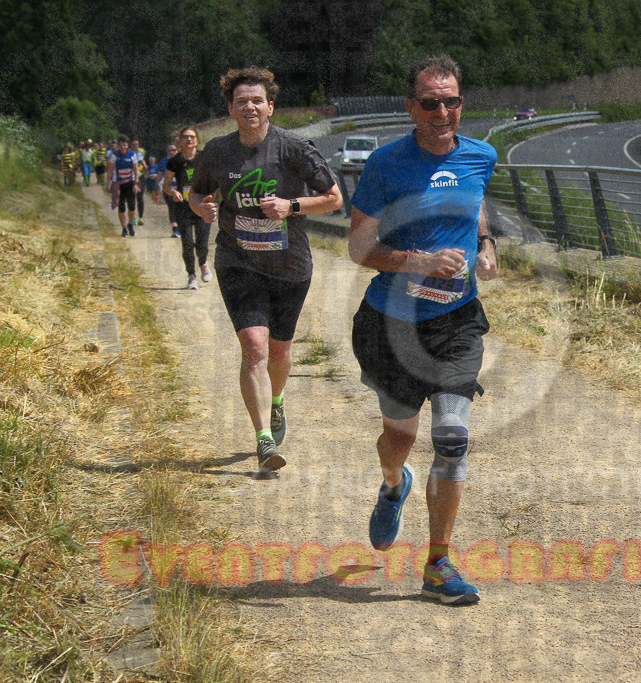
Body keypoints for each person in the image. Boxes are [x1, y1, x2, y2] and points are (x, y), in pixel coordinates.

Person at [347, 54, 498, 606]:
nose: (442, 111)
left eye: (451, 100)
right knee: (402, 439)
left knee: (452, 438)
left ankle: (437, 563)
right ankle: (393, 486)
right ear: (411, 107)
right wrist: (418, 262)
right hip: (390, 324)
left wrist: (485, 245)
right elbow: (359, 246)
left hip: (457, 320)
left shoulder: (482, 155)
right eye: (430, 102)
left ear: (462, 104)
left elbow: (475, 205)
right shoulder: (386, 164)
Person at [189, 67, 342, 473]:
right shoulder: (217, 152)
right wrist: (199, 206)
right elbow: (197, 191)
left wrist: (291, 206)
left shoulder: (293, 147)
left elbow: (333, 198)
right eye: (242, 101)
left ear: (270, 106)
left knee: (279, 350)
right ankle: (263, 440)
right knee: (254, 347)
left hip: (289, 264)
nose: (250, 106)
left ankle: (276, 402)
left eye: (257, 100)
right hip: (237, 261)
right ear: (231, 109)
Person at [163, 126, 211, 290]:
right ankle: (191, 276)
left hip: (201, 205)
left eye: (192, 137)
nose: (189, 140)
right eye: (185, 137)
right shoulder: (174, 161)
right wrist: (173, 192)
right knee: (187, 243)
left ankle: (203, 263)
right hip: (183, 207)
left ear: (197, 141)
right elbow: (166, 185)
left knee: (203, 244)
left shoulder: (203, 158)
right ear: (180, 141)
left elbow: (214, 181)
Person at [111, 135, 141, 236]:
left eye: (125, 144)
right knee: (121, 206)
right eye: (121, 145)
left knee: (132, 206)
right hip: (118, 183)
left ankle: (130, 224)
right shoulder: (114, 155)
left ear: (127, 145)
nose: (123, 147)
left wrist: (136, 183)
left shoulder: (132, 155)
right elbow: (110, 170)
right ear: (118, 146)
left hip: (130, 182)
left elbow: (136, 170)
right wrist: (108, 184)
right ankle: (124, 228)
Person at [159, 143, 181, 237]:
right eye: (170, 150)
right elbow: (160, 174)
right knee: (172, 208)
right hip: (168, 189)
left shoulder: (182, 161)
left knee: (180, 209)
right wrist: (157, 185)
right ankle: (175, 229)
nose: (172, 152)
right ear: (167, 151)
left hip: (180, 189)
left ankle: (181, 227)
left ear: (177, 150)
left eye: (174, 150)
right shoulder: (163, 161)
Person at [130, 137, 147, 226]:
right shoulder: (129, 153)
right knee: (132, 197)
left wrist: (145, 165)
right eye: (133, 144)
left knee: (140, 198)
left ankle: (140, 217)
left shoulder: (142, 151)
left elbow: (143, 160)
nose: (135, 146)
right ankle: (132, 217)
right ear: (131, 145)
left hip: (141, 176)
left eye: (136, 144)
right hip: (132, 177)